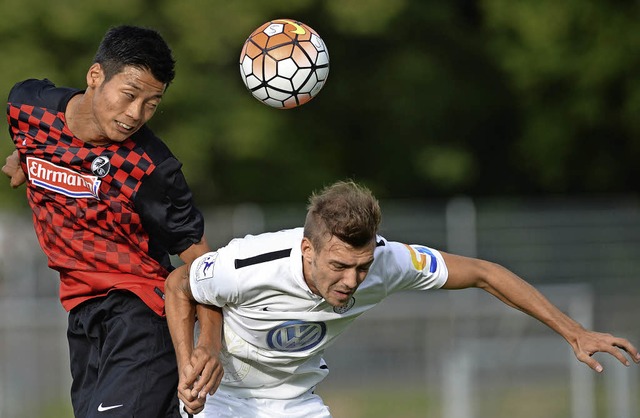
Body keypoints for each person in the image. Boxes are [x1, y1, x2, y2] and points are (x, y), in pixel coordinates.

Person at [165, 180, 640, 418]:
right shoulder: (250, 261)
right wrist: (193, 359)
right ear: (307, 249)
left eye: (362, 266)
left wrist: (574, 333)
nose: (352, 281)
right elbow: (180, 285)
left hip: (295, 402)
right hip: (222, 400)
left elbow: (483, 273)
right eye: (339, 266)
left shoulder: (390, 261)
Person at [3, 25, 222, 417]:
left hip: (142, 315)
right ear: (95, 76)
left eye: (151, 103)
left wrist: (207, 345)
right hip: (82, 318)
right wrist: (23, 159)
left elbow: (204, 263)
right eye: (129, 95)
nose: (135, 114)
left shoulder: (153, 168)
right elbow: (33, 140)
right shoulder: (26, 105)